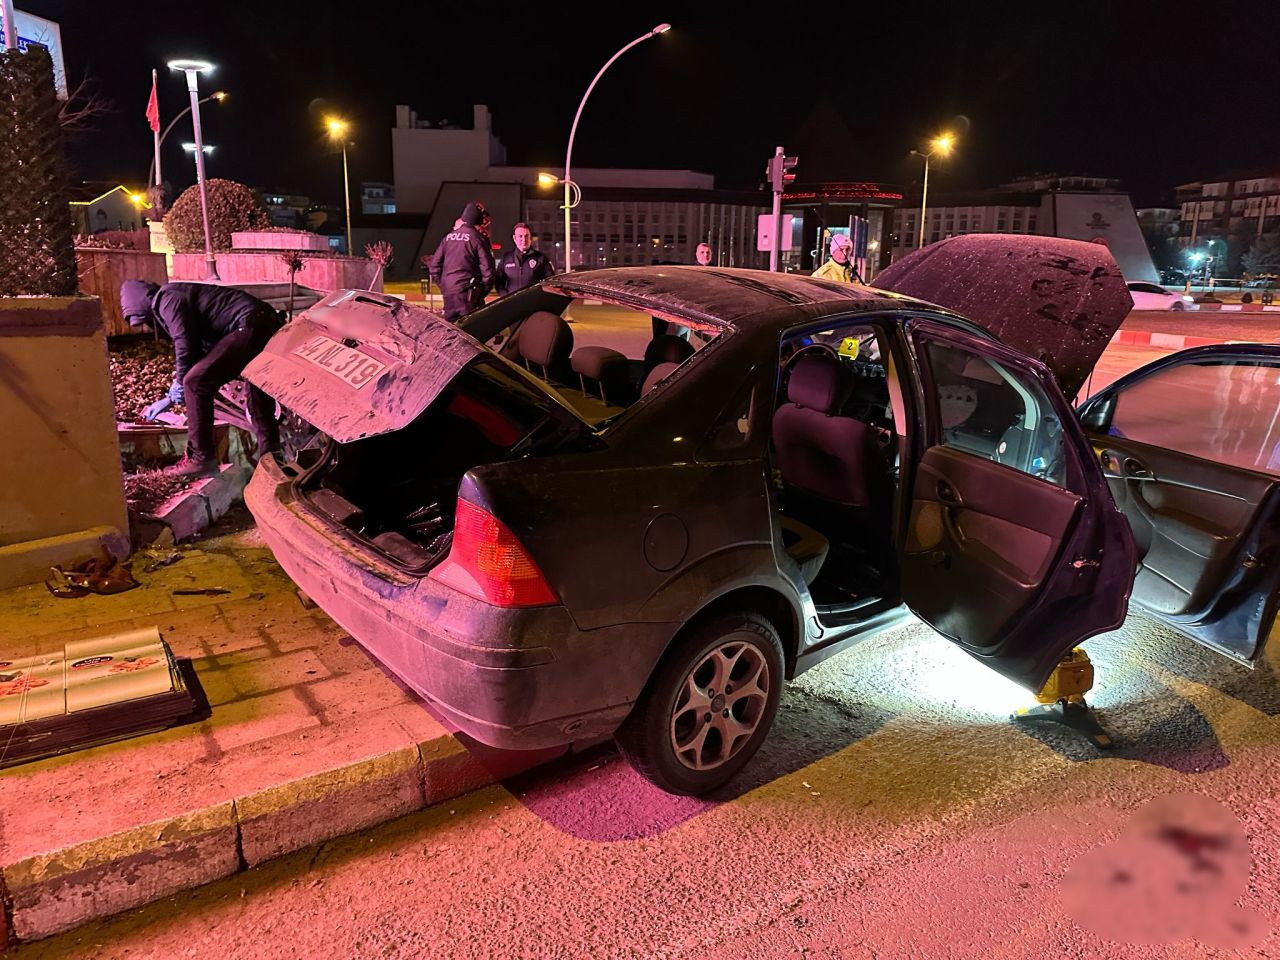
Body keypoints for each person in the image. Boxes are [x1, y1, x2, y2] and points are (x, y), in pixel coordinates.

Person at [119, 279, 282, 477]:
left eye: (144, 319)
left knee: (195, 383)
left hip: (248, 324)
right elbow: (201, 353)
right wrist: (171, 398)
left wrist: (181, 383)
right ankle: (272, 460)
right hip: (265, 324)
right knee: (257, 400)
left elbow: (184, 343)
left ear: (142, 303)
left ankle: (201, 459)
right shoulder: (177, 298)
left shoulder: (166, 298)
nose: (147, 325)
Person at [427, 202, 495, 321]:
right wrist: (481, 292)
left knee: (451, 331)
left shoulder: (448, 237)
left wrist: (444, 286)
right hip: (467, 295)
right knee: (468, 332)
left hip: (448, 294)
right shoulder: (478, 239)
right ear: (477, 223)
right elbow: (488, 271)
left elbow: (434, 267)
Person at [495, 222, 554, 295]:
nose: (523, 239)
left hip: (534, 303)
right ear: (514, 238)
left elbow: (550, 281)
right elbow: (498, 282)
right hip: (512, 304)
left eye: (526, 236)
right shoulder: (506, 258)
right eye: (520, 236)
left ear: (530, 238)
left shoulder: (541, 258)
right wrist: (505, 296)